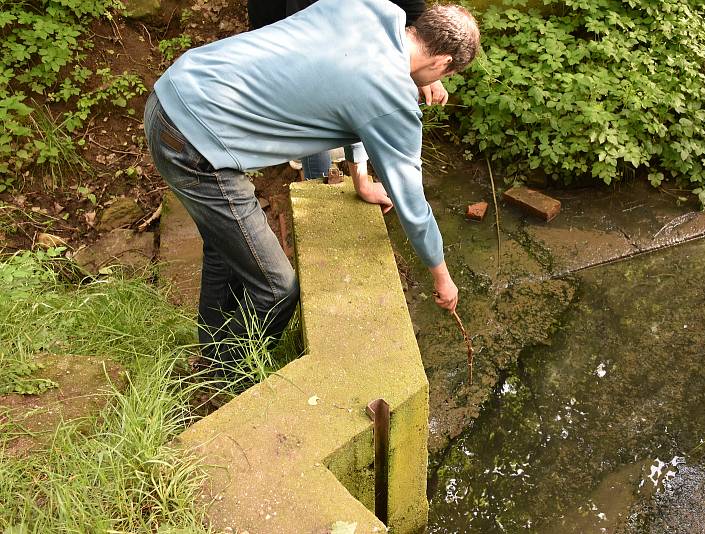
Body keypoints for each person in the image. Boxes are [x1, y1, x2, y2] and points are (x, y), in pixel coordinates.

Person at [143, 0, 480, 370]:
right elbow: (413, 207)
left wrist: (361, 180)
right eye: (445, 75)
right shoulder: (393, 96)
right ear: (444, 63)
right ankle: (227, 375)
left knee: (226, 250)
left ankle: (210, 356)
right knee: (276, 290)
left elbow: (348, 94)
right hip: (193, 146)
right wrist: (443, 279)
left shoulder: (371, 10)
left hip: (174, 92)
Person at [247, 0, 447, 180]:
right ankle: (319, 184)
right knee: (313, 108)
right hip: (286, 37)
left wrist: (425, 63)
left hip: (328, 36)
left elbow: (412, 10)